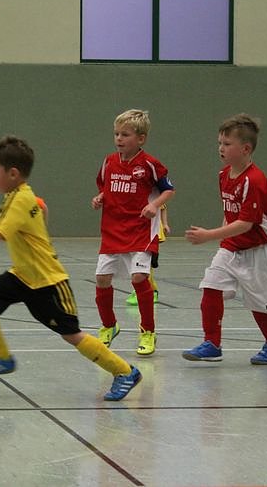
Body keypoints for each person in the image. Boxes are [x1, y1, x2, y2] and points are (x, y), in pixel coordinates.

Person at [0, 135, 142, 401]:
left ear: (13, 173)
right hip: (22, 276)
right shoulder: (18, 195)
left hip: (48, 282)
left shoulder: (20, 199)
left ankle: (125, 371)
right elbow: (36, 213)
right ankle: (2, 357)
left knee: (71, 335)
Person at [182, 114, 267, 364]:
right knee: (211, 286)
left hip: (262, 248)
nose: (221, 148)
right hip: (234, 246)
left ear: (246, 149)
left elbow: (246, 223)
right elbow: (231, 213)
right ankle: (212, 344)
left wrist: (208, 235)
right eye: (220, 143)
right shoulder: (223, 175)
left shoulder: (254, 180)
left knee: (261, 304)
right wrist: (223, 240)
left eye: (227, 144)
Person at [91, 109, 175, 356]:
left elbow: (168, 190)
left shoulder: (149, 164)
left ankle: (148, 331)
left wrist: (154, 205)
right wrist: (100, 197)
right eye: (116, 134)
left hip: (140, 230)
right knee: (102, 279)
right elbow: (106, 187)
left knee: (139, 278)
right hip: (112, 230)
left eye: (125, 134)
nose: (119, 138)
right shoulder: (109, 162)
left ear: (141, 138)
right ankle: (109, 326)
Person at [125, 204, 169, 305]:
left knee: (146, 266)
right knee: (139, 265)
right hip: (138, 233)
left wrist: (165, 224)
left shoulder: (155, 197)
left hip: (151, 234)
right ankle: (145, 289)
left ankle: (150, 291)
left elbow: (163, 208)